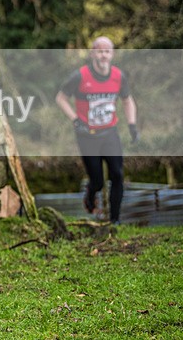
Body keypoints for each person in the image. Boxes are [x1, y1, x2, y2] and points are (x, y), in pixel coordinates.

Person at [55, 36, 138, 224]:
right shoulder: (80, 76)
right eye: (99, 51)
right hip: (87, 136)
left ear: (112, 54)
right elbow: (60, 98)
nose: (103, 55)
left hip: (110, 132)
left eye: (107, 51)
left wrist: (132, 125)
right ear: (92, 53)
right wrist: (75, 120)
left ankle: (115, 221)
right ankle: (90, 194)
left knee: (117, 174)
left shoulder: (118, 76)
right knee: (98, 181)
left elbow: (127, 100)